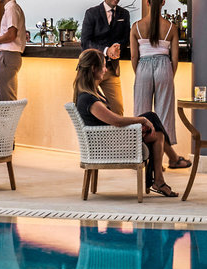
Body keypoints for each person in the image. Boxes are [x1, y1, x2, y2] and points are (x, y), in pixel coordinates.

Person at [73, 49, 178, 197]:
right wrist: (141, 120)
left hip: (111, 139)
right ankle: (161, 176)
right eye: (103, 66)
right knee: (152, 120)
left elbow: (113, 122)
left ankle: (160, 179)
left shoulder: (90, 94)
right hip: (108, 146)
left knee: (157, 131)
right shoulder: (88, 99)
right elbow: (116, 121)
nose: (105, 70)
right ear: (93, 68)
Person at [130, 0, 191, 169]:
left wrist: (140, 72)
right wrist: (169, 74)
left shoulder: (136, 27)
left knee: (141, 115)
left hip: (143, 67)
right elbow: (175, 59)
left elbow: (134, 57)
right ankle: (164, 160)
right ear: (163, 3)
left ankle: (144, 159)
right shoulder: (171, 28)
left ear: (147, 2)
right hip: (165, 66)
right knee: (164, 116)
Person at [80, 0, 131, 115]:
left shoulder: (124, 14)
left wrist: (117, 47)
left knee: (118, 109)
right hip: (92, 69)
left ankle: (116, 130)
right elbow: (85, 42)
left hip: (112, 69)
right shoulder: (91, 13)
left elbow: (125, 39)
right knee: (87, 107)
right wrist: (106, 50)